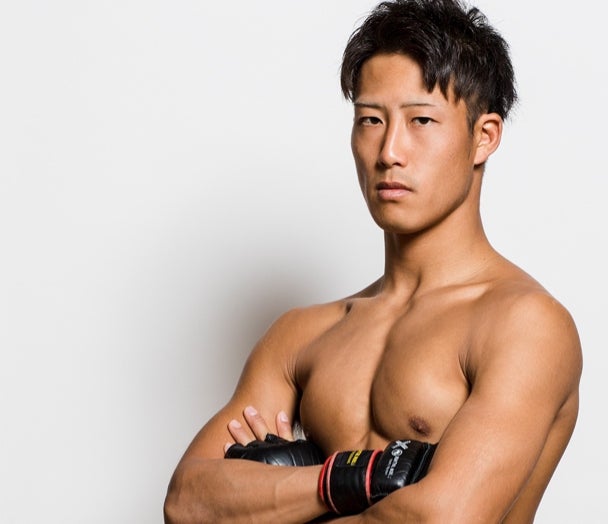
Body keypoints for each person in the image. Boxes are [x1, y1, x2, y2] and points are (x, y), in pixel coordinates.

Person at [164, 0, 582, 522]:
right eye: (370, 120)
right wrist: (352, 478)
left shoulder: (524, 325)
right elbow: (185, 502)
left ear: (484, 137)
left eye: (421, 120)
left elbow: (439, 518)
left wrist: (268, 498)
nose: (389, 152)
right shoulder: (301, 336)